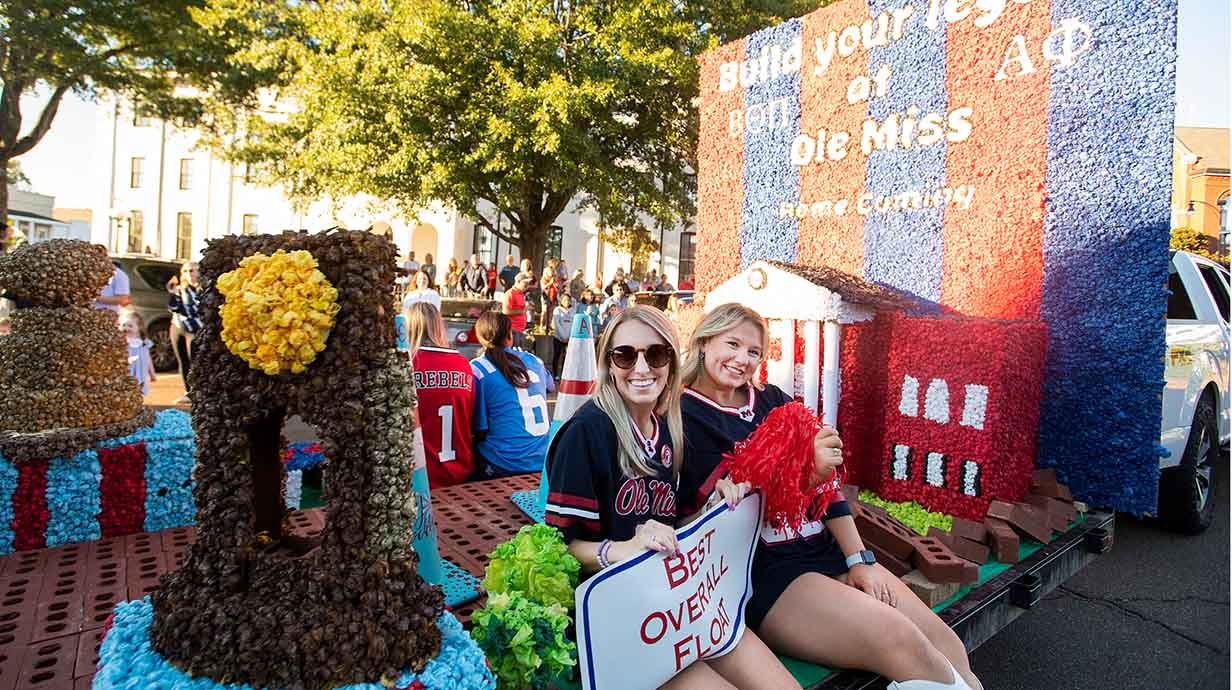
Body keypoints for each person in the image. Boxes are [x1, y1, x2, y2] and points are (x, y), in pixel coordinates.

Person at [678, 303, 983, 690]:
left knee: (948, 646)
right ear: (704, 342)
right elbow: (745, 508)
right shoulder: (683, 415)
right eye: (732, 344)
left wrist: (860, 560)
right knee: (902, 641)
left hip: (824, 549)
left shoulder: (772, 398)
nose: (742, 359)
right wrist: (809, 472)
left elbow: (827, 488)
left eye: (754, 351)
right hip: (767, 571)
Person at [545, 306, 803, 690]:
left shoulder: (670, 427)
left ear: (671, 361)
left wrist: (712, 504)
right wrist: (618, 550)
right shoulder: (586, 432)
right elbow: (556, 549)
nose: (642, 367)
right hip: (620, 618)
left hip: (678, 601)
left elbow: (677, 520)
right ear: (608, 363)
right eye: (625, 354)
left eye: (657, 354)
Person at [470, 312, 551, 478]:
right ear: (509, 335)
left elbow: (479, 426)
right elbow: (549, 386)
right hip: (543, 459)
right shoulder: (534, 360)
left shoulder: (479, 368)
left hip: (504, 463)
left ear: (481, 338)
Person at [406, 302, 475, 487]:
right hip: (460, 471)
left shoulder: (408, 365)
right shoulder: (463, 364)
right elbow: (470, 417)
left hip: (420, 475)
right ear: (439, 326)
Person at [167, 261, 201, 403]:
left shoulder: (203, 289)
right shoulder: (181, 290)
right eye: (186, 271)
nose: (190, 274)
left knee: (196, 360)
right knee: (183, 361)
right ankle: (188, 391)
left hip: (196, 328)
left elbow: (202, 310)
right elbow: (173, 308)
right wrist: (172, 294)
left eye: (193, 270)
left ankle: (198, 391)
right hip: (178, 327)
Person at [120, 309, 156, 396]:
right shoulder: (122, 342)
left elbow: (148, 358)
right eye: (124, 325)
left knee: (139, 391)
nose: (126, 328)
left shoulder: (144, 343)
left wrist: (152, 373)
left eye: (130, 326)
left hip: (140, 373)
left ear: (139, 327)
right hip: (127, 372)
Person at [93, 246, 131, 313]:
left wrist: (95, 298)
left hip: (108, 316)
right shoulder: (90, 272)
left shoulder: (119, 275)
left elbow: (122, 299)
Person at [501, 271, 531, 348]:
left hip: (519, 330)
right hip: (513, 330)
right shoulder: (510, 293)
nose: (527, 285)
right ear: (518, 282)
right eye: (525, 283)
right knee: (512, 354)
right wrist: (523, 311)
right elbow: (505, 311)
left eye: (528, 283)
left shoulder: (521, 294)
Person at [550, 292, 576, 379]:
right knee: (556, 356)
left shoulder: (573, 310)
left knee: (567, 357)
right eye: (564, 300)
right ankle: (556, 374)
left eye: (568, 300)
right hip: (559, 338)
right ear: (561, 301)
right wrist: (563, 337)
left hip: (569, 338)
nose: (567, 302)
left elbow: (574, 324)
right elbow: (557, 325)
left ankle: (565, 375)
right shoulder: (557, 310)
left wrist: (569, 337)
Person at [539, 266, 559, 331]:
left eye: (552, 271)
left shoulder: (555, 278)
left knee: (551, 311)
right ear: (546, 272)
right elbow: (543, 287)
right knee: (544, 311)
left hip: (553, 295)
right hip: (545, 295)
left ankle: (548, 325)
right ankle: (541, 325)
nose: (552, 272)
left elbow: (557, 287)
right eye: (550, 271)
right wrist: (550, 283)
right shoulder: (543, 279)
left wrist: (557, 286)